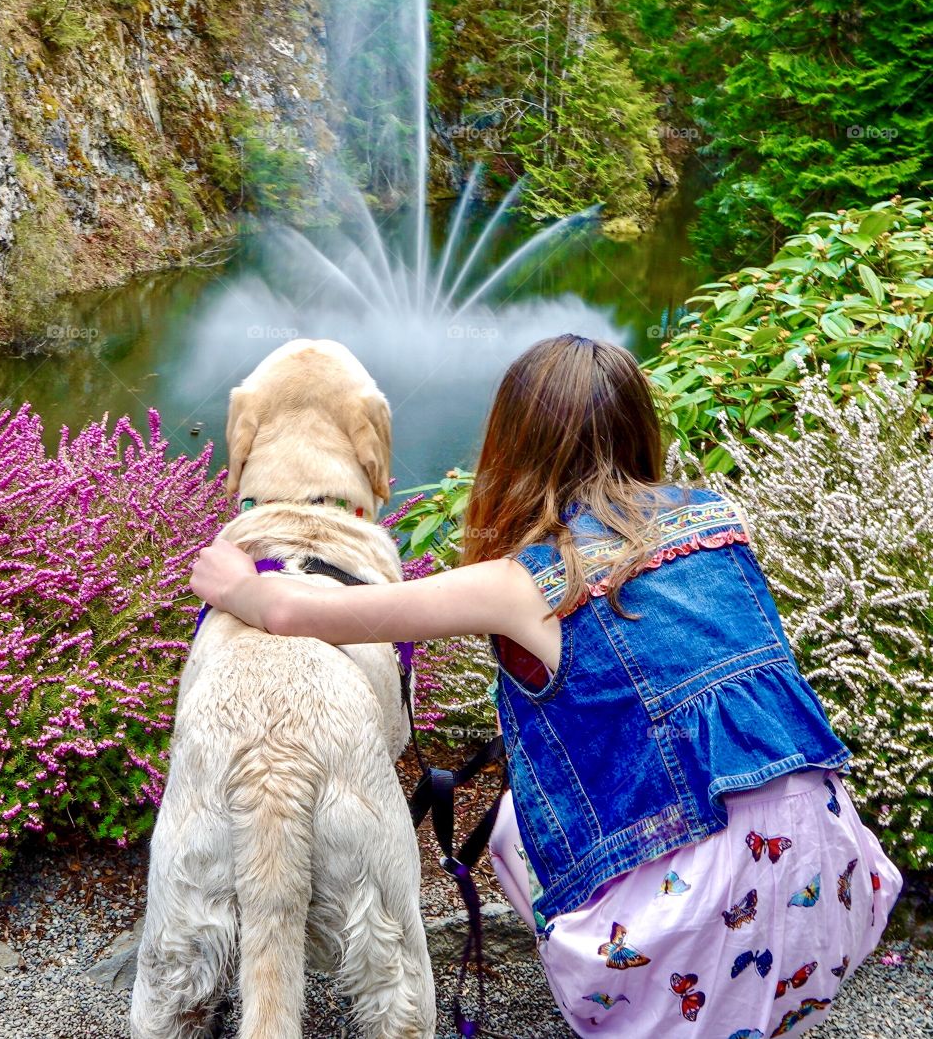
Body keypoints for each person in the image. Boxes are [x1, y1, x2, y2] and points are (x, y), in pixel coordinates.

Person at [190, 334, 902, 1038]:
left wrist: (238, 584)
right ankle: (763, 1000)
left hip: (694, 955)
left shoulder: (521, 584)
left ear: (513, 448)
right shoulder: (723, 519)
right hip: (836, 899)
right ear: (639, 428)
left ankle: (649, 1006)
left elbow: (309, 613)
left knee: (509, 827)